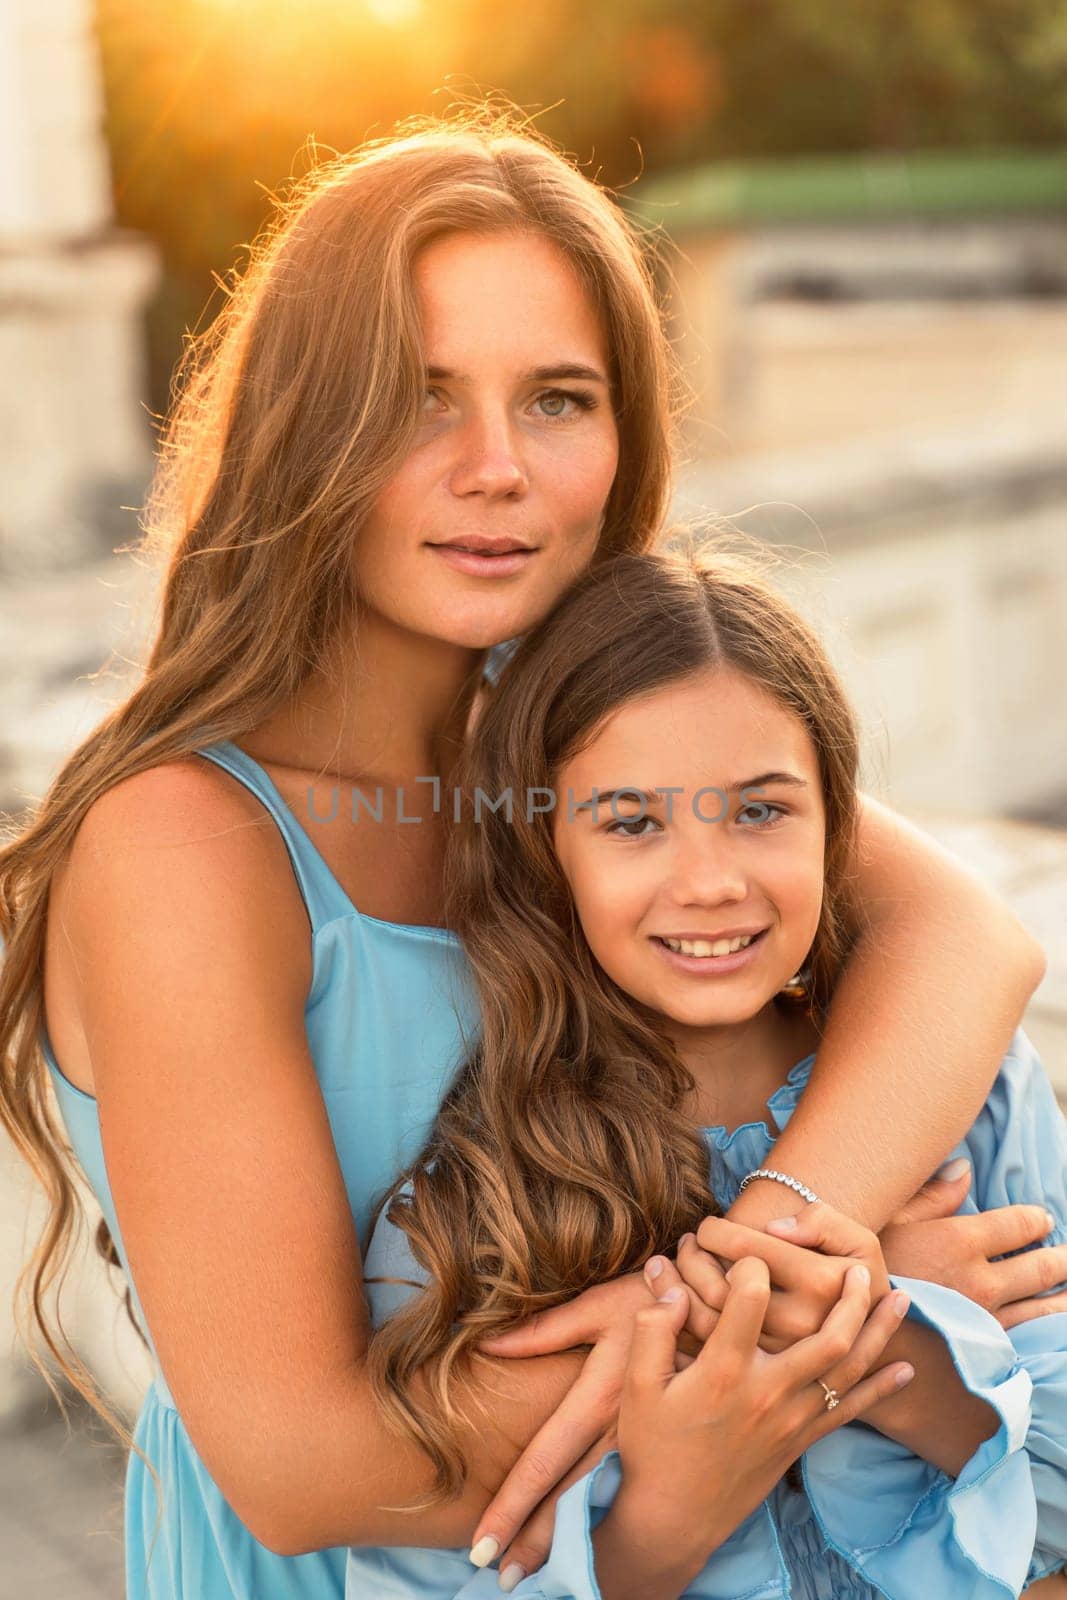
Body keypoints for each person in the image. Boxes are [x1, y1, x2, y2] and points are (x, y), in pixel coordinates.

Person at [0, 106, 1050, 1600]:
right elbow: (306, 1468)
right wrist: (857, 1326)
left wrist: (772, 1248)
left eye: (558, 399)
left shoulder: (574, 755)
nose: (496, 467)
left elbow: (967, 943)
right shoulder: (188, 842)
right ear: (304, 427)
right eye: (419, 400)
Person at [352, 545, 1067, 1599]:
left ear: (836, 824)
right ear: (545, 850)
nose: (707, 881)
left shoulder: (971, 1093)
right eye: (630, 821)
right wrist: (671, 1510)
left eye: (759, 808)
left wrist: (891, 1339)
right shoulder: (461, 1219)